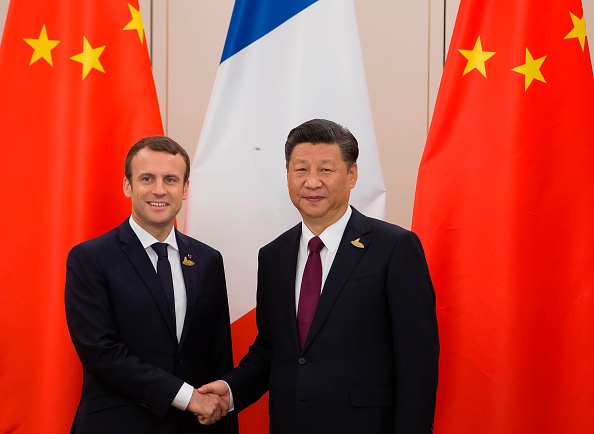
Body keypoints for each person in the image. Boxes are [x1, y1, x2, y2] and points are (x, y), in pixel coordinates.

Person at [199, 118, 439, 433]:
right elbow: (272, 349)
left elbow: (417, 361)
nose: (312, 182)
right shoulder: (274, 256)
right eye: (301, 170)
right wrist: (230, 391)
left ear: (352, 174)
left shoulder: (395, 248)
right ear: (287, 175)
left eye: (325, 169)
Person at [65, 136, 238, 434]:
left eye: (170, 179)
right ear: (128, 186)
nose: (159, 189)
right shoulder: (90, 259)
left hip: (193, 427)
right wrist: (187, 397)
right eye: (147, 178)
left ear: (184, 189)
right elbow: (101, 353)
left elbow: (218, 356)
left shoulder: (208, 260)